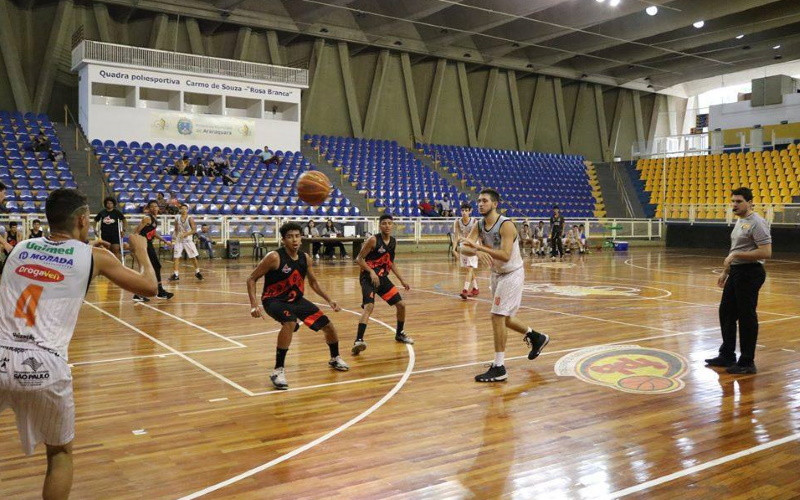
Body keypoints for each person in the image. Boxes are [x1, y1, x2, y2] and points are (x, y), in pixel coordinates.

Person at [0, 188, 157, 500]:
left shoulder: (19, 248)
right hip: (44, 363)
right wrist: (141, 250)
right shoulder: (95, 257)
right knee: (59, 455)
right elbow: (150, 287)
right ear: (84, 220)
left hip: (1, 352)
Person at [461, 188, 550, 383]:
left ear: (495, 204)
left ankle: (499, 367)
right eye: (478, 201)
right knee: (505, 318)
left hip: (511, 273)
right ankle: (537, 337)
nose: (480, 204)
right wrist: (475, 251)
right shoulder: (478, 224)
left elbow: (505, 255)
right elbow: (463, 248)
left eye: (484, 201)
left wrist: (479, 248)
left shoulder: (506, 225)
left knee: (497, 316)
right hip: (497, 275)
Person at [246, 222, 349, 390]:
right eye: (289, 237)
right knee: (290, 323)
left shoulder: (305, 258)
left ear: (301, 238)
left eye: (297, 236)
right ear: (283, 240)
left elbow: (313, 283)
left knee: (328, 326)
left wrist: (329, 300)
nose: (294, 240)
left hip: (297, 300)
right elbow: (251, 279)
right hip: (274, 300)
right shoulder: (274, 257)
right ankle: (278, 370)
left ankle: (335, 358)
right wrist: (254, 305)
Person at [705, 187, 772, 375]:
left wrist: (736, 256)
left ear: (750, 202)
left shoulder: (757, 222)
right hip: (736, 272)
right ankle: (727, 355)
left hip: (750, 273)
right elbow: (736, 249)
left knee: (746, 316)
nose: (734, 204)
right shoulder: (740, 221)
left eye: (739, 201)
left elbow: (766, 252)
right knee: (726, 312)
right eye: (733, 201)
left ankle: (747, 362)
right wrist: (726, 271)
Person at [352, 213, 414, 355]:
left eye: (389, 223)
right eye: (384, 223)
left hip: (382, 278)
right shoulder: (373, 240)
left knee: (401, 305)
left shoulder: (393, 242)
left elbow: (390, 262)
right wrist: (371, 272)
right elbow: (359, 259)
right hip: (368, 277)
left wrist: (402, 280)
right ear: (379, 225)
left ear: (393, 225)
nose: (387, 225)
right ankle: (358, 340)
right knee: (369, 307)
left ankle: (399, 333)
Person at [132, 200, 174, 302]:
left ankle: (156, 291)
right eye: (152, 206)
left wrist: (164, 241)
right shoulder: (147, 218)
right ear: (149, 208)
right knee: (150, 268)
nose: (155, 208)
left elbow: (153, 232)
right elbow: (136, 232)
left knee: (154, 267)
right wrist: (136, 247)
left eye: (156, 206)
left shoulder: (154, 219)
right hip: (143, 245)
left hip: (148, 244)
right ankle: (157, 292)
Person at [452, 201, 480, 299]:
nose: (464, 212)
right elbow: (456, 236)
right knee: (469, 269)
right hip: (464, 247)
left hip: (473, 246)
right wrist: (454, 248)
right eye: (463, 210)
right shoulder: (457, 222)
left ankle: (465, 290)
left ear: (470, 211)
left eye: (466, 210)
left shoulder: (474, 221)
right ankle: (476, 288)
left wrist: (480, 248)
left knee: (469, 268)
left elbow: (479, 236)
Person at [169, 203, 203, 281]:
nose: (184, 210)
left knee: (193, 257)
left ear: (187, 210)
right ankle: (176, 274)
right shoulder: (177, 217)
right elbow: (176, 229)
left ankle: (197, 272)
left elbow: (194, 230)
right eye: (182, 208)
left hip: (188, 240)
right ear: (180, 210)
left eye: (185, 208)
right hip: (179, 240)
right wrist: (174, 239)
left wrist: (186, 234)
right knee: (176, 257)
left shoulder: (190, 218)